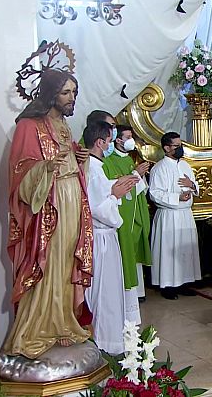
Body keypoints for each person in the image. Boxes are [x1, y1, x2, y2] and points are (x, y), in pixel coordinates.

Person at [2, 68, 94, 358]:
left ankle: (64, 322)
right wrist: (44, 169)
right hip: (48, 205)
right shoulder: (29, 126)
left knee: (67, 261)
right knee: (48, 261)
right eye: (66, 92)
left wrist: (81, 159)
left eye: (74, 93)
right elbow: (19, 171)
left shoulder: (66, 126)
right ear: (51, 93)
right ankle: (38, 326)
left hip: (71, 200)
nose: (71, 98)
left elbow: (71, 161)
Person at [82, 121, 140, 354]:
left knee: (111, 291)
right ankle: (107, 344)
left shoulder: (93, 166)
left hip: (103, 238)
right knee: (105, 294)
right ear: (100, 142)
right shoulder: (93, 169)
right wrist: (115, 196)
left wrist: (115, 185)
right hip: (101, 238)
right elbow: (98, 208)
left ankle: (110, 339)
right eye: (108, 141)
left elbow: (99, 190)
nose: (109, 145)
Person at [102, 125, 152, 302]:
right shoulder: (108, 160)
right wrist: (135, 174)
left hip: (136, 212)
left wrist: (140, 175)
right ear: (118, 140)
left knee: (134, 252)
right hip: (122, 213)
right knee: (126, 250)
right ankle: (128, 293)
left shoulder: (129, 158)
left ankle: (138, 292)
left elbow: (139, 188)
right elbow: (114, 186)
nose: (132, 140)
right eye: (128, 136)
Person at [149, 132, 201, 299]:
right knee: (169, 251)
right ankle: (168, 286)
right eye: (177, 146)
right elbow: (154, 194)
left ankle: (185, 282)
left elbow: (195, 187)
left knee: (186, 249)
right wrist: (177, 197)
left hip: (185, 213)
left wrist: (192, 185)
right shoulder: (159, 168)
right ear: (166, 147)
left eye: (181, 145)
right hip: (169, 215)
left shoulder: (185, 165)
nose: (180, 149)